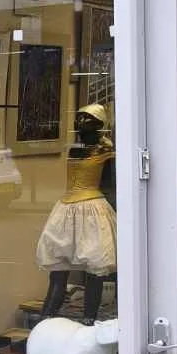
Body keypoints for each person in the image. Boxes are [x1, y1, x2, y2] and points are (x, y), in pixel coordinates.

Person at [35, 103, 116, 321]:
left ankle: (89, 320)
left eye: (87, 119)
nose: (80, 123)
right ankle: (46, 320)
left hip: (93, 210)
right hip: (66, 210)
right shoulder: (74, 149)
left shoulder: (105, 151)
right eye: (78, 119)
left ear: (99, 125)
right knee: (58, 272)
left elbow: (110, 185)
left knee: (95, 271)